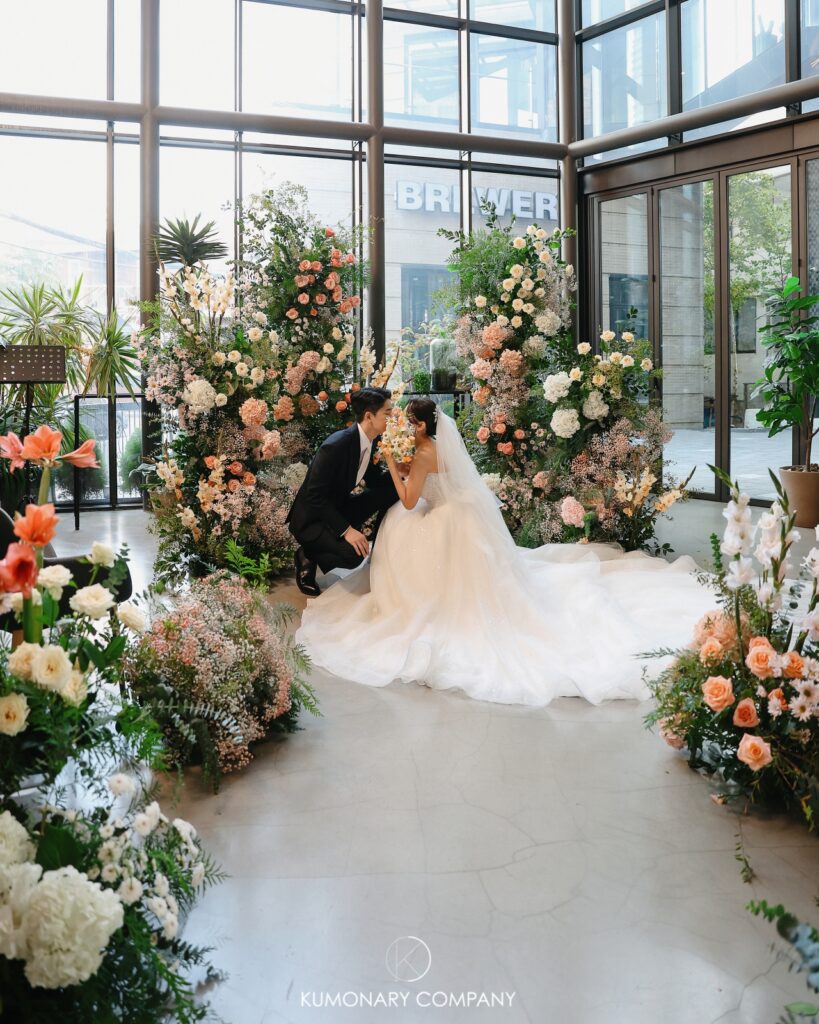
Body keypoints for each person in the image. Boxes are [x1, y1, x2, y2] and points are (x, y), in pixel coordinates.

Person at [294, 398, 716, 706]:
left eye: (406, 418)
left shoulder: (420, 453)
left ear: (420, 427)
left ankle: (412, 599)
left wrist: (392, 462)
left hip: (437, 516)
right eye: (393, 415)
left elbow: (408, 500)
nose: (399, 421)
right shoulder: (435, 448)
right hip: (459, 515)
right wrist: (402, 467)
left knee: (398, 524)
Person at [287, 386, 398, 597]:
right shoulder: (336, 445)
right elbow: (315, 496)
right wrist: (348, 531)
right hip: (312, 519)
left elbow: (374, 480)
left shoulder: (373, 440)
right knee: (355, 555)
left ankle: (382, 543)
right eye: (387, 412)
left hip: (338, 507)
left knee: (391, 489)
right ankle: (307, 553)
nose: (392, 418)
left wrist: (398, 471)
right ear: (369, 416)